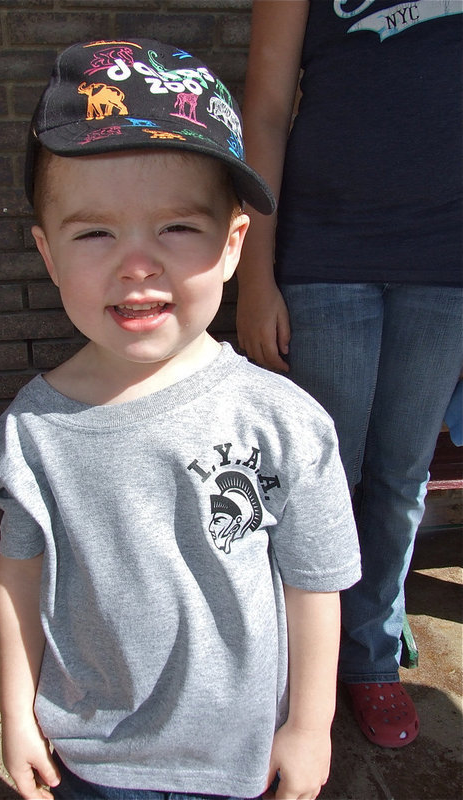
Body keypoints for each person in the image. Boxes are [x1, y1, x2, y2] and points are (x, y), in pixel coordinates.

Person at [0, 38, 361, 800]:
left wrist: (310, 726)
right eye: (95, 232)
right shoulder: (32, 433)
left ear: (232, 246)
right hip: (91, 760)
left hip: (238, 760)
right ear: (48, 256)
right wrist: (15, 710)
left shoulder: (283, 422)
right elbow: (20, 577)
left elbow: (315, 587)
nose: (137, 263)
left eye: (177, 228)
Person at [236, 0, 463, 750]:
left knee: (401, 475)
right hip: (328, 253)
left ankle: (368, 659)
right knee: (320, 475)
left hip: (447, 267)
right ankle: (296, 662)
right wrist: (255, 275)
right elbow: (265, 111)